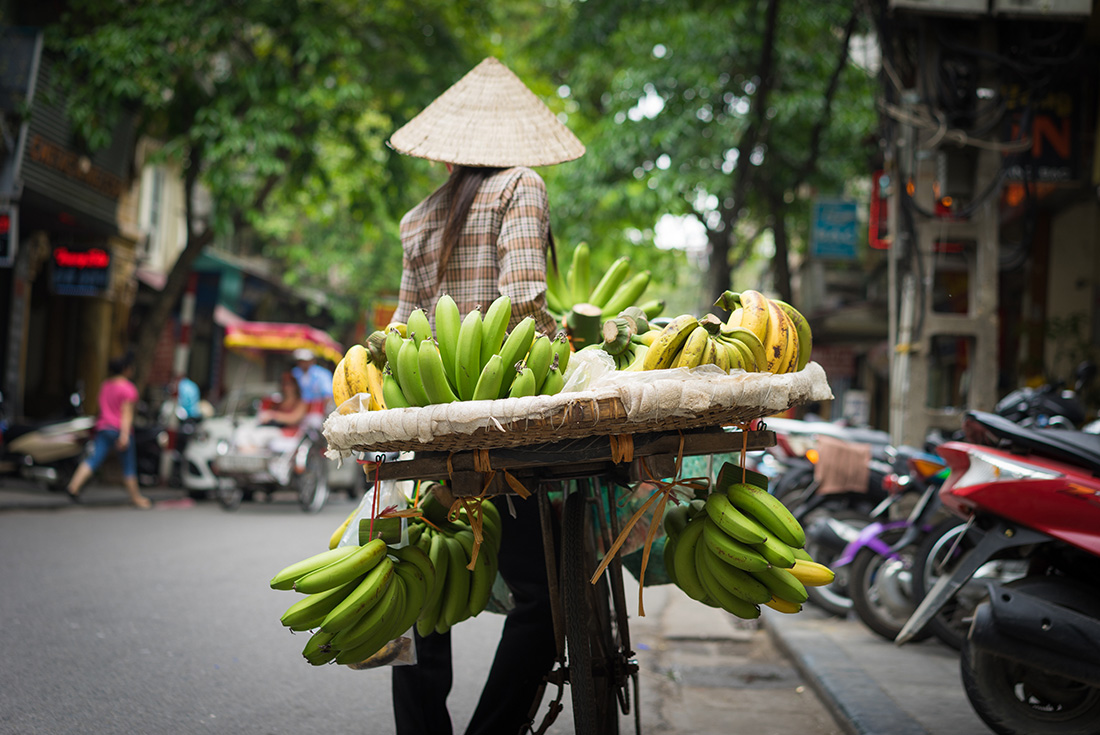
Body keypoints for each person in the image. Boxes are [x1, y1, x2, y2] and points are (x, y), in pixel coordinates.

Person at [386, 57, 585, 735]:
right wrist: (567, 349)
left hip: (434, 419)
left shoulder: (417, 220)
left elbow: (400, 330)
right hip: (504, 419)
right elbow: (524, 300)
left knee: (417, 583)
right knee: (546, 593)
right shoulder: (520, 186)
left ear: (449, 151)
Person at [67, 352, 153, 509]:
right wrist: (125, 435)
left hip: (103, 427)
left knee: (93, 459)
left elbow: (102, 407)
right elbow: (126, 414)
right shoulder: (128, 388)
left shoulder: (105, 385)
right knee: (128, 465)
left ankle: (73, 487)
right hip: (119, 430)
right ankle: (136, 498)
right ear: (126, 369)